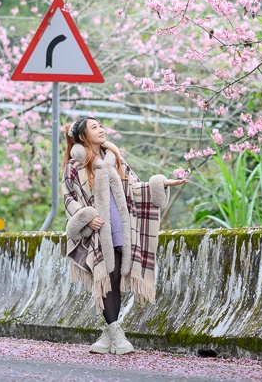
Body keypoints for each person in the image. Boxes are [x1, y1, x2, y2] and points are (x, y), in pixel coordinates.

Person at [61, 116, 187, 355]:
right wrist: (86, 217)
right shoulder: (74, 165)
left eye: (101, 125)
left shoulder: (114, 158)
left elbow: (135, 186)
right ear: (81, 136)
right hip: (97, 230)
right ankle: (117, 333)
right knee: (108, 275)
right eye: (94, 127)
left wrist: (161, 183)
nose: (101, 129)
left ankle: (108, 336)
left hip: (121, 227)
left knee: (116, 278)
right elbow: (69, 197)